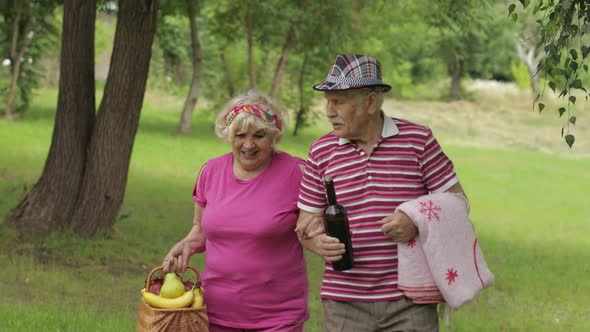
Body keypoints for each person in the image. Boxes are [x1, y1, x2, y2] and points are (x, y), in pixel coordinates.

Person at [295, 54, 468, 331]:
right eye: (327, 101)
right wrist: (315, 242)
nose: (328, 111)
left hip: (410, 299)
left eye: (338, 101)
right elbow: (304, 223)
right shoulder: (320, 151)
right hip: (344, 303)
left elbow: (459, 203)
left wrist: (416, 219)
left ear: (371, 102)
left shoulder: (418, 140)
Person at [162, 91, 309, 332]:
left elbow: (316, 228)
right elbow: (200, 228)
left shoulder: (297, 173)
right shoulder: (210, 171)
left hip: (278, 315)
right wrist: (187, 245)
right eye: (240, 135)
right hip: (216, 310)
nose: (248, 144)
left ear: (274, 135)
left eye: (259, 136)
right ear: (229, 135)